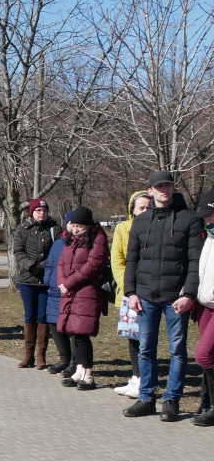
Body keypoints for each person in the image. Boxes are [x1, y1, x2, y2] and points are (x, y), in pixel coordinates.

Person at [123, 171, 204, 422]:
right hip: (145, 296)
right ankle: (146, 398)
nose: (164, 190)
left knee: (177, 350)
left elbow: (195, 261)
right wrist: (131, 292)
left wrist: (189, 294)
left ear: (173, 187)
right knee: (146, 348)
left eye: (168, 185)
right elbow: (132, 259)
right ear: (151, 190)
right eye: (159, 186)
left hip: (175, 298)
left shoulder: (190, 218)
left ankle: (171, 400)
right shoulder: (141, 220)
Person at [56, 208, 109, 390]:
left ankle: (89, 375)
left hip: (87, 291)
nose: (76, 230)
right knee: (73, 331)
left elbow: (94, 264)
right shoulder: (71, 240)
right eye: (74, 226)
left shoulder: (98, 238)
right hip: (70, 292)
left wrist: (70, 283)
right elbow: (62, 263)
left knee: (82, 333)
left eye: (80, 226)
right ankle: (78, 371)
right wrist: (63, 283)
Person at [111, 192, 152, 398]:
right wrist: (128, 287)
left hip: (150, 291)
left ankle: (144, 380)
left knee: (146, 337)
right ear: (132, 210)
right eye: (141, 207)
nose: (144, 210)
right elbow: (117, 261)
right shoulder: (122, 228)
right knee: (132, 336)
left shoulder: (156, 227)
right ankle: (136, 377)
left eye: (148, 207)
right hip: (129, 292)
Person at [13, 198, 58, 369]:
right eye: (38, 210)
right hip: (27, 279)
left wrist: (43, 267)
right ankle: (28, 355)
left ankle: (41, 355)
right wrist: (31, 266)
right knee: (29, 316)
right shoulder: (23, 228)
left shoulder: (54, 228)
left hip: (46, 279)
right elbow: (18, 251)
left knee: (43, 316)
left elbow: (57, 251)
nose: (42, 213)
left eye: (44, 211)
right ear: (32, 212)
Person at [43, 212, 75, 376]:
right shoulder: (58, 243)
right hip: (55, 290)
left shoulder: (82, 243)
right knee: (55, 324)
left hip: (72, 291)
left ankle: (76, 362)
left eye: (75, 223)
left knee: (73, 327)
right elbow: (50, 265)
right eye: (70, 222)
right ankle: (64, 359)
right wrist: (48, 280)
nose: (72, 226)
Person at [193, 190, 214, 426]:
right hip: (204, 305)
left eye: (211, 215)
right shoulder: (208, 236)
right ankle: (207, 401)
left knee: (203, 355)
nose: (207, 219)